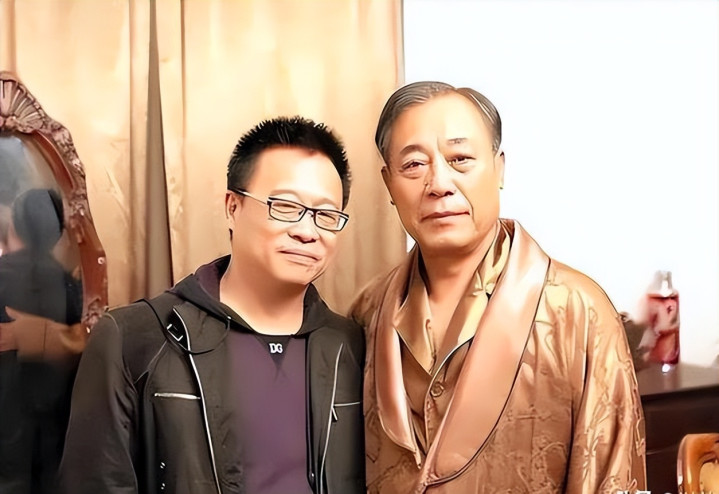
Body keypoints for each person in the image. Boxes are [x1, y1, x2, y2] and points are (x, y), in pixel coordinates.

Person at [351, 81, 646, 494]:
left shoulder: (576, 310)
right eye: (414, 164)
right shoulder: (367, 311)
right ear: (388, 184)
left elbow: (610, 479)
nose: (439, 183)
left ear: (499, 168)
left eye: (460, 159)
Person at [60, 117, 365, 494]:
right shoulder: (134, 339)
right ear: (233, 207)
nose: (307, 231)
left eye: (326, 215)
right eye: (285, 206)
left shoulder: (352, 346)